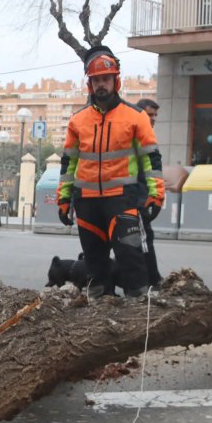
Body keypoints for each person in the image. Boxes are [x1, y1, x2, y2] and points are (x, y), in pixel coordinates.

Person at [57, 47, 165, 298]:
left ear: (116, 81)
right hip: (86, 202)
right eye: (96, 80)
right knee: (95, 264)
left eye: (106, 79)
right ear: (90, 85)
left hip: (121, 200)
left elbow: (151, 159)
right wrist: (63, 199)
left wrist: (156, 194)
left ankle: (138, 313)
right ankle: (100, 315)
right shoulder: (77, 121)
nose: (101, 85)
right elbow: (68, 164)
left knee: (131, 258)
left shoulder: (136, 117)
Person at [134, 98, 163, 289]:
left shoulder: (147, 137)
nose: (153, 119)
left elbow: (152, 172)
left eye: (155, 115)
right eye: (149, 114)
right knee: (144, 241)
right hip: (135, 199)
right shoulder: (136, 138)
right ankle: (153, 282)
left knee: (140, 241)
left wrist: (156, 195)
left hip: (142, 197)